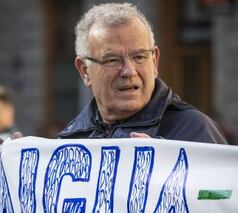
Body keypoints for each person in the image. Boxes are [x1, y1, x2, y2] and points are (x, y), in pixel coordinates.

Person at [57, 3, 227, 144]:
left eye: (139, 56)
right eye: (112, 60)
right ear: (85, 70)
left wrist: (166, 166)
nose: (129, 71)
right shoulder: (69, 143)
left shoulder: (195, 132)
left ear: (154, 61)